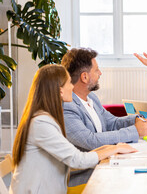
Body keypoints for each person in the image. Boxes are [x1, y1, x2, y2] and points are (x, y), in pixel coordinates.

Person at [9, 65, 137, 194]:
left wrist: (110, 149)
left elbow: (73, 155)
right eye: (69, 83)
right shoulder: (41, 123)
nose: (72, 86)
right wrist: (115, 149)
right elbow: (77, 160)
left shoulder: (46, 118)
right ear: (60, 91)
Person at [61, 48, 147, 186]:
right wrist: (135, 131)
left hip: (104, 166)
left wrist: (135, 120)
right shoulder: (67, 107)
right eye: (96, 70)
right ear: (84, 77)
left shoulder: (91, 98)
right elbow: (91, 141)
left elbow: (111, 122)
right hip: (86, 178)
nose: (100, 73)